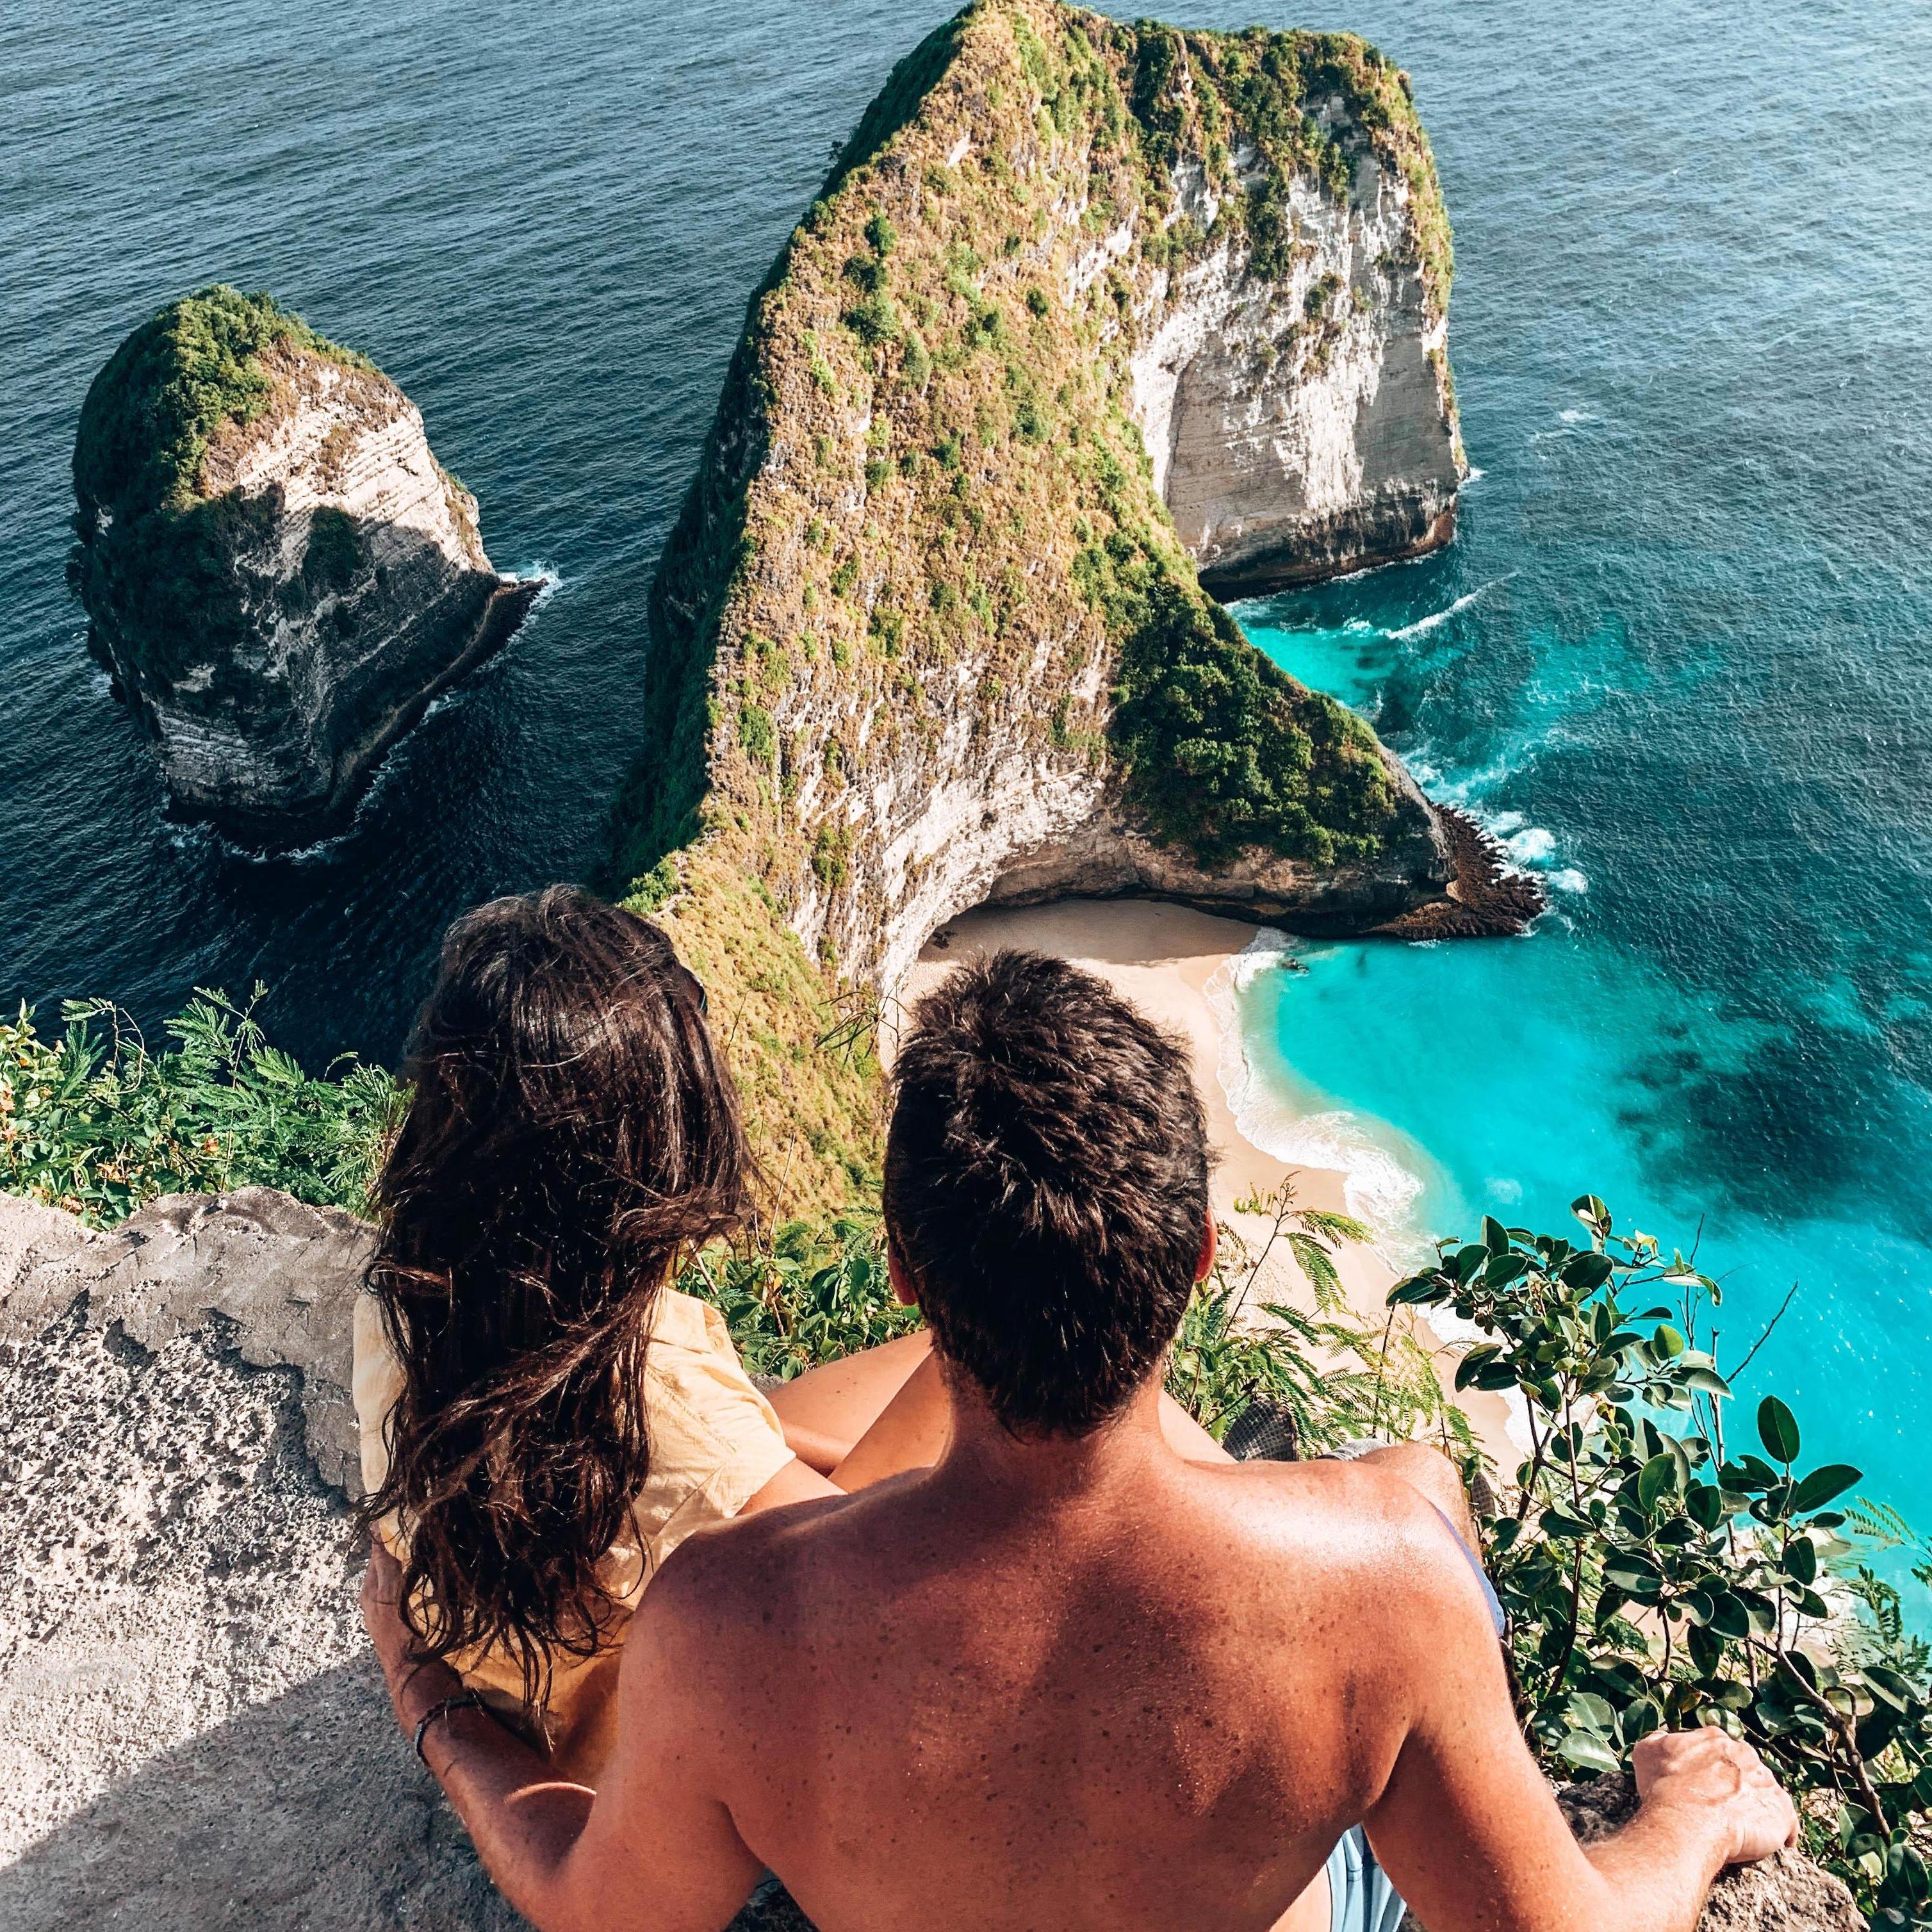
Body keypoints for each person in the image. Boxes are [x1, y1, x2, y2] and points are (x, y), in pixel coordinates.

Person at [363, 947, 1797, 1932]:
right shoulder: (1388, 1590)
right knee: (1414, 1481)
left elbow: (591, 1908)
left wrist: (441, 1708)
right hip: (1280, 1758)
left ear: (909, 1274)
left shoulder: (723, 1623)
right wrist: (1688, 1814)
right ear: (1194, 1262)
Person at [356, 892, 1224, 1783]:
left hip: (547, 1659)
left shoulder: (407, 1294)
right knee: (1005, 1366)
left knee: (961, 1356)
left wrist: (776, 1447)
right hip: (630, 1766)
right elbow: (862, 1594)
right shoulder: (663, 1410)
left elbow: (698, 1456)